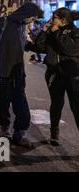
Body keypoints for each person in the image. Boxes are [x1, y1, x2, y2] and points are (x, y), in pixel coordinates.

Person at [0, 2, 43, 147]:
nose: (31, 22)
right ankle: (4, 129)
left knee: (22, 106)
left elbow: (26, 47)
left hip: (18, 74)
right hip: (1, 72)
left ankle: (19, 133)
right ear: (26, 14)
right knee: (1, 104)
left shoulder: (22, 27)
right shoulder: (2, 23)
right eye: (32, 19)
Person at [32, 8, 79, 145]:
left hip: (73, 75)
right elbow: (40, 47)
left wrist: (56, 32)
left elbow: (69, 49)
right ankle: (54, 133)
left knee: (76, 107)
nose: (51, 20)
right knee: (56, 104)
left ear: (63, 20)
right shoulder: (52, 31)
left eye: (54, 18)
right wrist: (44, 31)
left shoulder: (75, 32)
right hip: (54, 74)